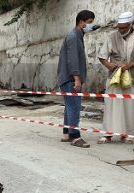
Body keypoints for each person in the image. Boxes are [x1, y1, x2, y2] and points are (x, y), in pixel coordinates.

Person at [97, 11, 134, 144]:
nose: (120, 30)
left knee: (130, 106)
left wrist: (128, 66)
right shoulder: (111, 36)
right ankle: (108, 133)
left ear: (132, 24)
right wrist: (109, 65)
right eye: (119, 27)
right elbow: (102, 56)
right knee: (111, 105)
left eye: (124, 27)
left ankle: (128, 134)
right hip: (115, 77)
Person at [57, 10, 96, 148]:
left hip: (67, 78)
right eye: (90, 22)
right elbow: (72, 60)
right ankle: (75, 137)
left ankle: (66, 134)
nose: (91, 25)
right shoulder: (74, 36)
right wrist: (77, 79)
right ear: (82, 22)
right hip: (70, 79)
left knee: (69, 107)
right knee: (74, 107)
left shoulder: (77, 36)